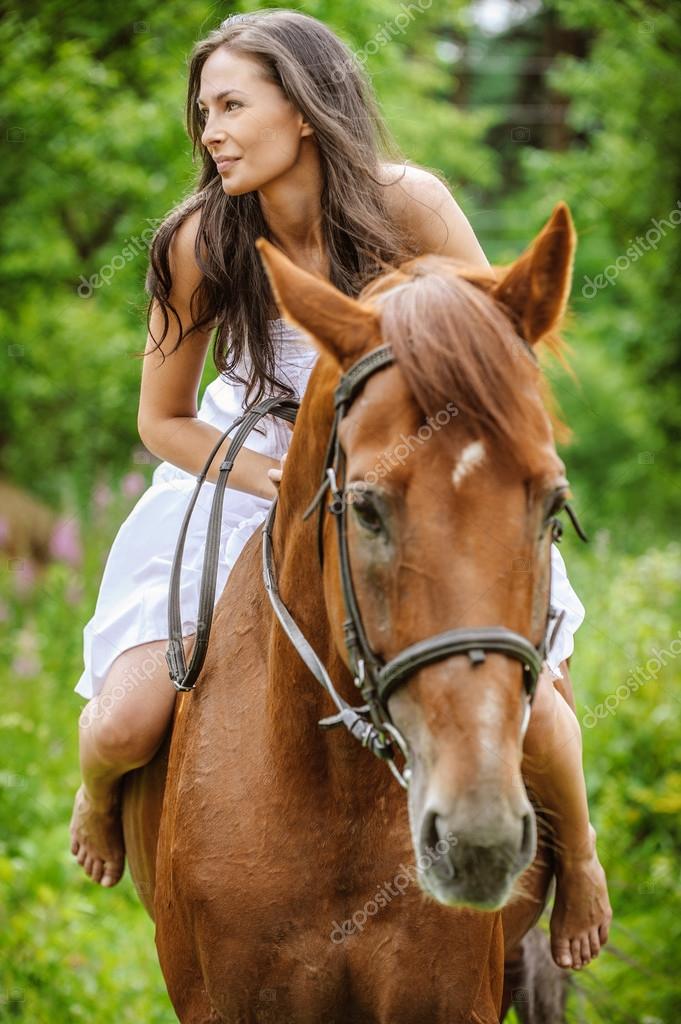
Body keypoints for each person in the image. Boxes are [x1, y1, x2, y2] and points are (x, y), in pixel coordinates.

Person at [69, 8, 611, 971]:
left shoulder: (412, 205)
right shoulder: (196, 240)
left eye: (233, 105)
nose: (211, 133)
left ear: (305, 109)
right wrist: (274, 478)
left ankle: (582, 855)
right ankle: (97, 793)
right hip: (248, 462)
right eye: (203, 112)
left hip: (409, 464)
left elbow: (482, 355)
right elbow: (163, 420)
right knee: (121, 719)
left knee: (541, 713)